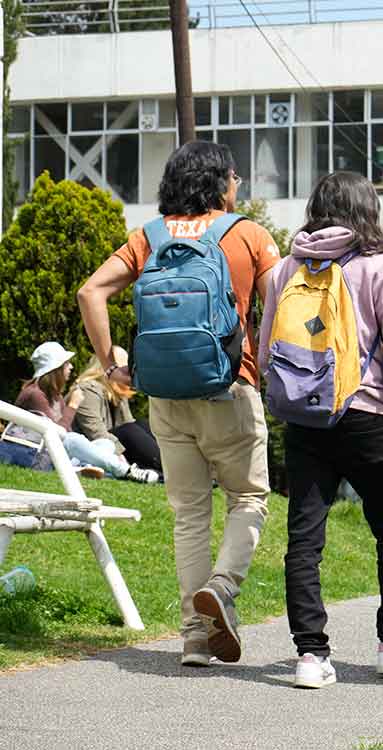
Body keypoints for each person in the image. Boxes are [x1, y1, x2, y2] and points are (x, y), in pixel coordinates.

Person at [77, 141, 278, 668]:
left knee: (189, 514)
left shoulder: (149, 236)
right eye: (235, 177)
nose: (238, 186)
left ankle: (194, 636)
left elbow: (90, 292)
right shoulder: (248, 234)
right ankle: (223, 587)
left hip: (164, 394)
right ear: (221, 182)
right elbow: (278, 300)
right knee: (249, 498)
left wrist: (113, 366)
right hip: (230, 387)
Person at [258, 171, 383, 689]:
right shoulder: (380, 266)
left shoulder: (287, 267)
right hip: (367, 414)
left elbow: (268, 346)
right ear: (368, 210)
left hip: (307, 419)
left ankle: (311, 655)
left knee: (305, 538)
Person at [15, 342, 158, 483]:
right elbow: (57, 435)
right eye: (66, 364)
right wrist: (72, 406)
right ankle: (125, 470)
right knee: (74, 439)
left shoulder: (55, 395)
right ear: (55, 369)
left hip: (64, 454)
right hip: (39, 455)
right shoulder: (35, 394)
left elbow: (127, 424)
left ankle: (85, 468)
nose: (71, 367)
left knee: (106, 444)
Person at [70, 347, 162, 474]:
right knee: (128, 431)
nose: (129, 372)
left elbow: (130, 423)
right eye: (124, 367)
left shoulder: (115, 390)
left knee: (140, 424)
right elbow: (95, 431)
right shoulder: (87, 390)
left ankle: (167, 462)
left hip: (113, 445)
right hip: (92, 449)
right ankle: (166, 467)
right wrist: (120, 457)